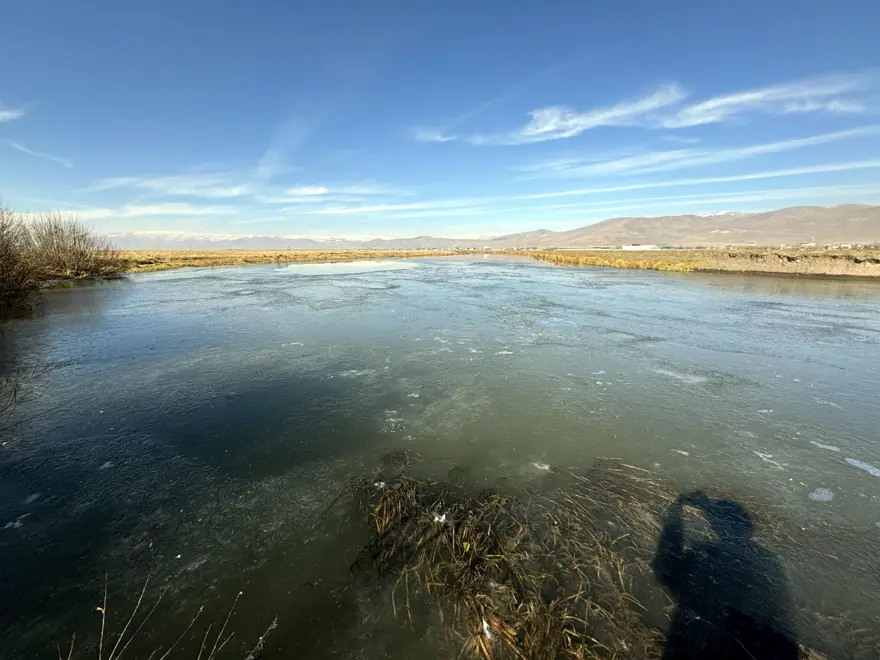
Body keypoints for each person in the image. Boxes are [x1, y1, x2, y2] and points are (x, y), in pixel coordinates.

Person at [652, 491, 798, 660]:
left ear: (714, 526)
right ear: (749, 528)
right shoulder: (771, 563)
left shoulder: (705, 554)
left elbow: (665, 571)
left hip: (707, 646)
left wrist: (674, 517)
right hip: (764, 648)